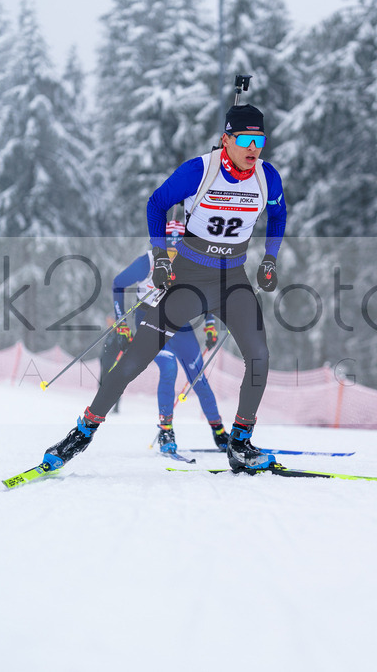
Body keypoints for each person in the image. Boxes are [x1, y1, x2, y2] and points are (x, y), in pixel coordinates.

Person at [42, 103, 285, 473]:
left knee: (260, 356)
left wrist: (269, 258)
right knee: (134, 361)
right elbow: (156, 204)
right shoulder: (199, 171)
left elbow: (279, 214)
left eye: (261, 140)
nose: (254, 149)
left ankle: (239, 443)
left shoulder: (267, 176)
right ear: (226, 140)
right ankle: (83, 432)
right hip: (188, 278)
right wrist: (161, 257)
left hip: (232, 279)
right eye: (247, 140)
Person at [108, 219, 230, 453]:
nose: (174, 255)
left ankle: (219, 431)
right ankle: (166, 431)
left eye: (179, 250)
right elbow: (117, 284)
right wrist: (122, 325)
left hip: (180, 324)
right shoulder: (149, 261)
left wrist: (210, 325)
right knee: (169, 369)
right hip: (149, 319)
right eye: (170, 249)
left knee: (198, 378)